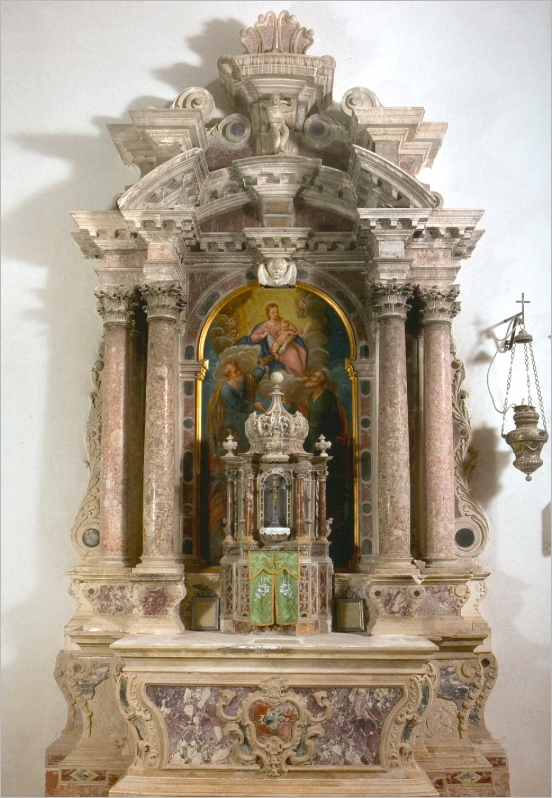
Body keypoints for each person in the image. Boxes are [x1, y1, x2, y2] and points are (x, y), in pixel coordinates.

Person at [207, 361, 265, 452]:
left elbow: (253, 379)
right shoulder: (226, 389)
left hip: (245, 420)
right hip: (234, 422)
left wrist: (261, 366)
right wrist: (254, 405)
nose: (239, 372)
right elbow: (238, 404)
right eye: (235, 372)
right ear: (229, 375)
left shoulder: (241, 381)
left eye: (238, 370)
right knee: (241, 446)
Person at [239, 302, 307, 377]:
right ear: (268, 314)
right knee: (292, 353)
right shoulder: (265, 325)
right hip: (275, 345)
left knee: (302, 352)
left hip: (287, 343)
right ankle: (300, 374)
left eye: (277, 312)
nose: (276, 314)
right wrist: (263, 335)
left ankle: (300, 373)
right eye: (273, 312)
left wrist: (290, 338)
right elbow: (253, 338)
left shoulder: (283, 321)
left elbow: (294, 331)